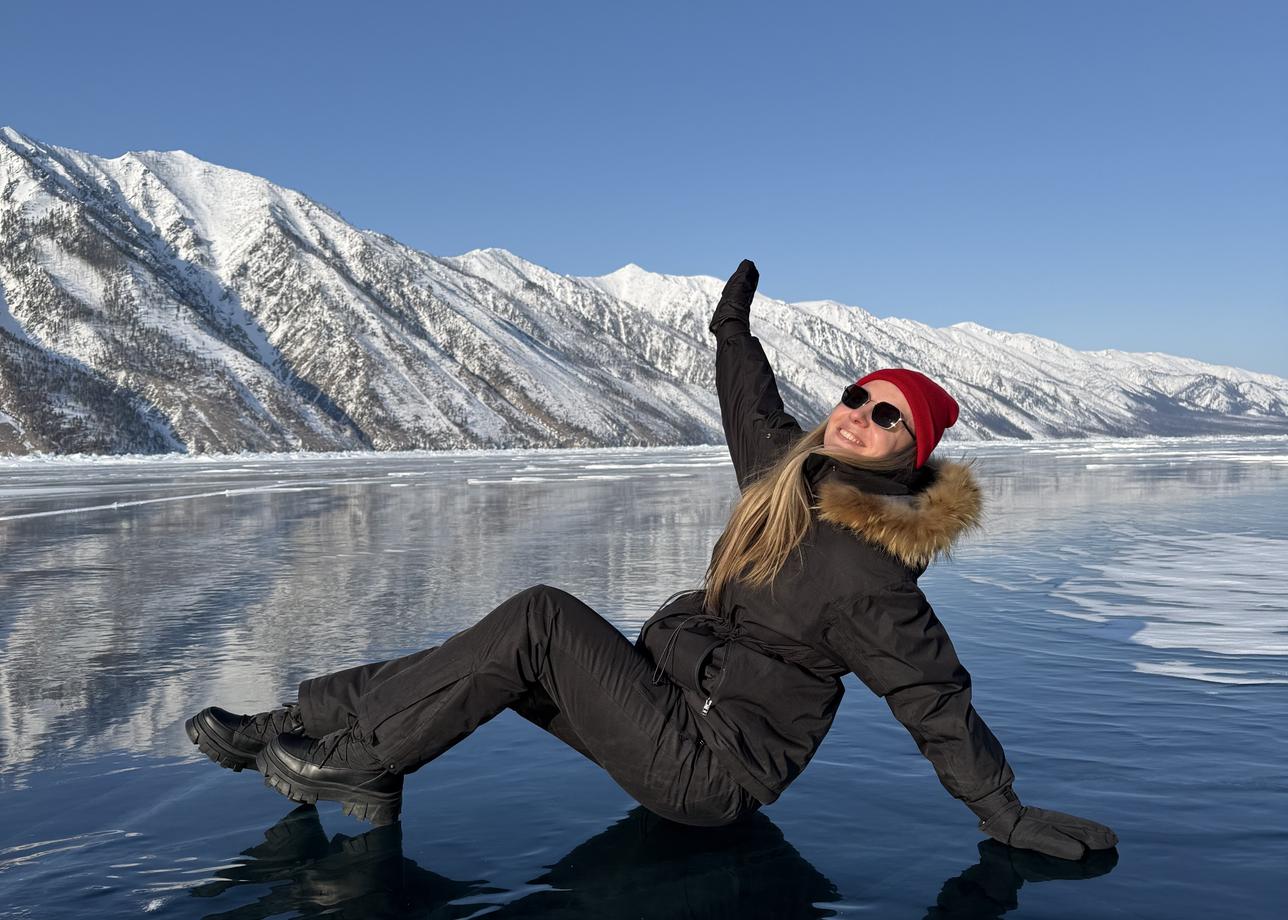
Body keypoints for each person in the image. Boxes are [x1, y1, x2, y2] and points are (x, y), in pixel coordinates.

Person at [185, 260, 1119, 860]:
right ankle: (297, 725)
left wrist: (1003, 813)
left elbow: (933, 698)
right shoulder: (786, 478)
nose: (859, 416)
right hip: (673, 703)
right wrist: (731, 332)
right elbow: (752, 408)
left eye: (887, 417)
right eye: (856, 395)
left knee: (541, 618)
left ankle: (365, 762)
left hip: (712, 771)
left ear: (911, 454)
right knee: (485, 654)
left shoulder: (868, 569)